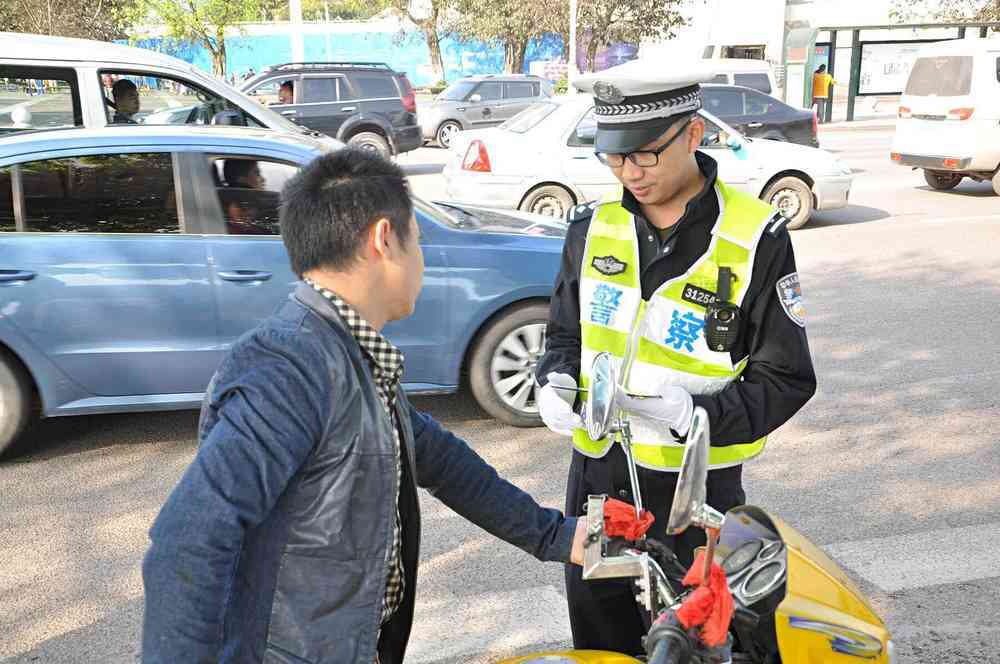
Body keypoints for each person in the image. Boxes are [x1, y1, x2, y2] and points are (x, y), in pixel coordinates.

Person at [142, 148, 587, 664]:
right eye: (417, 239)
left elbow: (440, 460)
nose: (420, 256)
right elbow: (187, 544)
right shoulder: (288, 367)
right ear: (383, 239)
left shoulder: (350, 353)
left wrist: (557, 535)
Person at [535, 60, 816, 656]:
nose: (628, 172)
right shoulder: (593, 225)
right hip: (597, 483)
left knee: (699, 646)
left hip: (696, 498)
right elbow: (564, 335)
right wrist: (554, 379)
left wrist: (696, 415)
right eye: (614, 157)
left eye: (644, 155)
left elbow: (787, 376)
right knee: (601, 642)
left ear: (693, 133)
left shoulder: (755, 235)